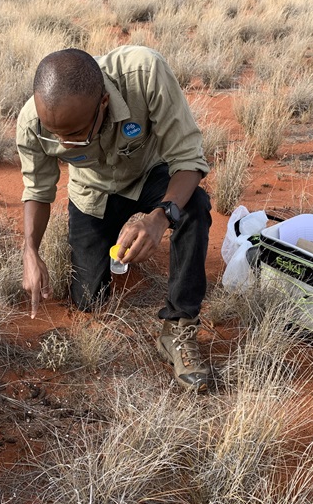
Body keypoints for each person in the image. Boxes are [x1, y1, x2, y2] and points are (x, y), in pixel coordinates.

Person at [16, 45, 213, 392]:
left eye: (76, 135)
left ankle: (178, 326)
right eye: (56, 135)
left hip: (151, 176)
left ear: (103, 103)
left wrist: (159, 218)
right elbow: (37, 190)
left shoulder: (145, 74)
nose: (65, 143)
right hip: (93, 194)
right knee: (89, 300)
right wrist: (30, 249)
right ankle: (123, 240)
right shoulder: (32, 122)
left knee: (192, 205)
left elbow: (189, 161)